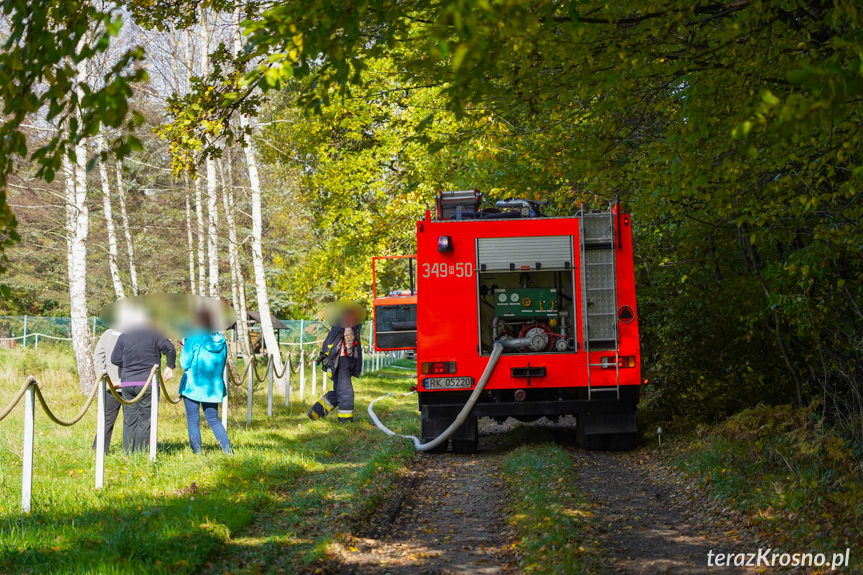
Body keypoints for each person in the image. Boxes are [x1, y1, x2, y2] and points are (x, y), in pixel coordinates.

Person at [110, 316, 176, 453]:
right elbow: (170, 348)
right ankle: (140, 453)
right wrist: (170, 367)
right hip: (148, 383)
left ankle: (128, 452)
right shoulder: (156, 334)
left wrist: (129, 364)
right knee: (145, 420)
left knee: (129, 419)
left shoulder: (124, 335)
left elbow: (115, 359)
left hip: (128, 383)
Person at [179, 309, 232, 454]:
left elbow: (184, 363)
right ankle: (228, 452)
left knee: (193, 420)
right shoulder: (222, 341)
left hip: (193, 386)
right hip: (213, 387)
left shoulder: (193, 338)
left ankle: (197, 453)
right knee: (213, 419)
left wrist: (185, 350)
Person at [307, 308, 364, 423]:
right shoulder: (347, 324)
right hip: (343, 362)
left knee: (339, 391)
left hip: (337, 362)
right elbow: (349, 342)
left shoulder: (339, 324)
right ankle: (345, 420)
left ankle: (316, 412)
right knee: (346, 392)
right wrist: (350, 359)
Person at [91, 328, 123, 453]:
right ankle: (132, 449)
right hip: (130, 383)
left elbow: (98, 356)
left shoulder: (107, 333)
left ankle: (99, 449)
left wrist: (103, 378)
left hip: (110, 383)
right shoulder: (137, 333)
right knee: (131, 421)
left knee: (106, 418)